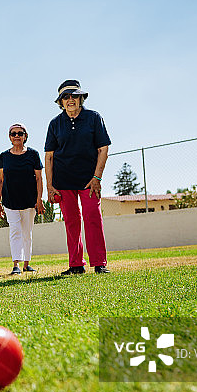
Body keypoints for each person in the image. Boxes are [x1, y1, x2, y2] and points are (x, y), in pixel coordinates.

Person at [44, 80, 111, 275]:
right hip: (63, 181)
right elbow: (49, 156)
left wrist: (97, 177)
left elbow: (103, 148)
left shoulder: (93, 118)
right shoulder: (54, 124)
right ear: (61, 102)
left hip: (88, 180)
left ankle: (99, 262)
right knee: (71, 222)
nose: (70, 99)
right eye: (66, 97)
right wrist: (50, 186)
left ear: (81, 98)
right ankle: (76, 264)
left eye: (74, 95)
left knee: (92, 217)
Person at [0, 123, 45, 275]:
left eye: (20, 133)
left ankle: (27, 264)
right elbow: (1, 180)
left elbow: (39, 178)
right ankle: (16, 265)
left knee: (27, 232)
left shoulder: (33, 154)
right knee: (15, 231)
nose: (17, 136)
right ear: (9, 137)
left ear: (25, 136)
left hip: (29, 201)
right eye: (13, 133)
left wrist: (39, 200)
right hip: (10, 201)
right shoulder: (4, 156)